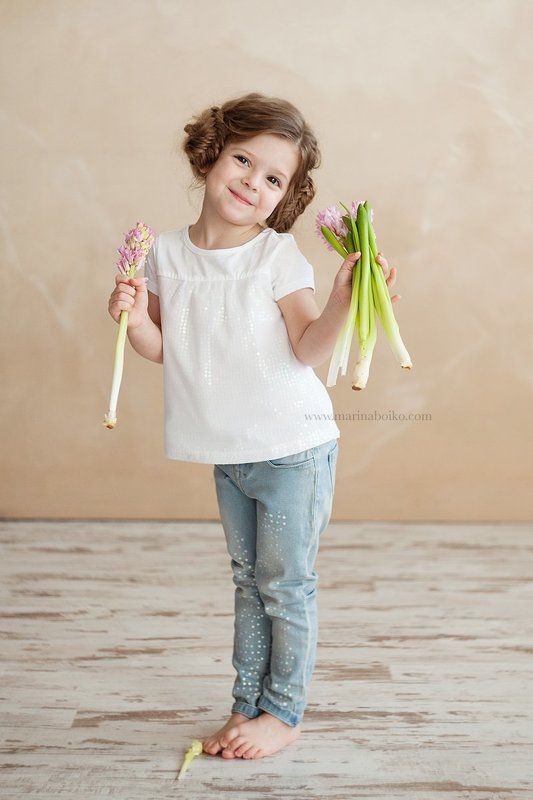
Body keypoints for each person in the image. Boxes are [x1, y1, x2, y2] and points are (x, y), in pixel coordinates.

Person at [107, 92, 400, 761]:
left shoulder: (275, 258)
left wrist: (341, 299)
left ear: (285, 197)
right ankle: (247, 703)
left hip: (292, 448)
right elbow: (162, 347)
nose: (252, 182)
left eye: (274, 178)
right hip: (230, 450)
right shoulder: (167, 253)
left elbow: (308, 347)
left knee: (285, 586)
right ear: (211, 155)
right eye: (243, 160)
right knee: (248, 581)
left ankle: (284, 712)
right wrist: (133, 315)